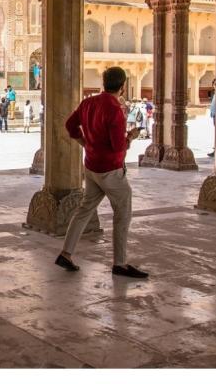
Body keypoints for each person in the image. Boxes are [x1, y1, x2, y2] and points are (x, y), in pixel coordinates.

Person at [55, 66, 147, 277]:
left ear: (103, 83)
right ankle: (120, 263)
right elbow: (117, 146)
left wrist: (85, 143)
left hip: (92, 167)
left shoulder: (89, 102)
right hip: (111, 171)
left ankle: (66, 253)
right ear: (122, 87)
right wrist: (131, 136)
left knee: (84, 210)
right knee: (123, 214)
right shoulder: (114, 109)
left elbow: (70, 125)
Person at [208, 89, 216, 157]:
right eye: (214, 84)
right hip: (215, 116)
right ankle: (215, 150)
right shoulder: (215, 94)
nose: (215, 85)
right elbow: (213, 106)